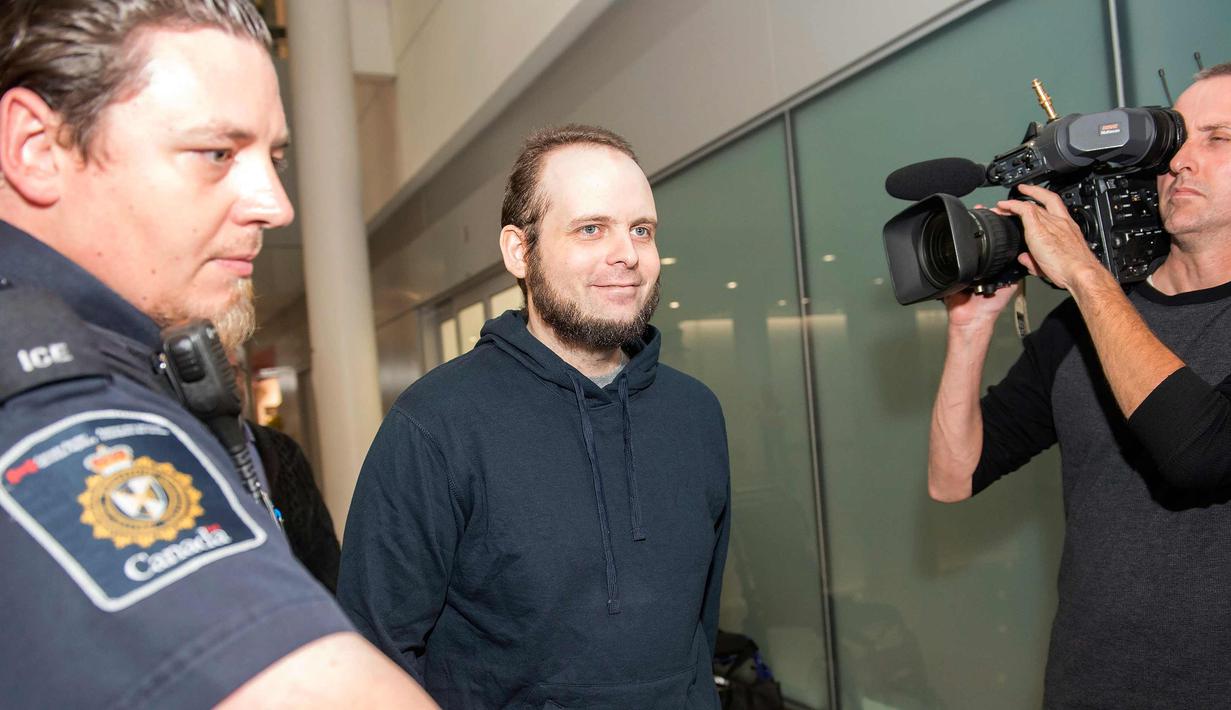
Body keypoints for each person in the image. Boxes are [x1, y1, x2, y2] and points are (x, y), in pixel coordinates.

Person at [0, 2, 434, 707]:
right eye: (217, 153)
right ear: (36, 148)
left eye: (275, 157)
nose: (275, 203)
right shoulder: (53, 401)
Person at [338, 124, 732, 709]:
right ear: (519, 252)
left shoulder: (695, 413)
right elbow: (372, 655)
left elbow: (698, 630)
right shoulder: (436, 423)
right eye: (591, 228)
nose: (626, 254)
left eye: (641, 230)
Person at [928, 63, 1231, 706]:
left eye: (1219, 138)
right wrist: (970, 329)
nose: (1181, 159)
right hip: (1089, 686)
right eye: (1178, 136)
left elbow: (1200, 454)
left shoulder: (1092, 301)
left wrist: (1086, 276)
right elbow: (953, 478)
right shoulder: (1080, 324)